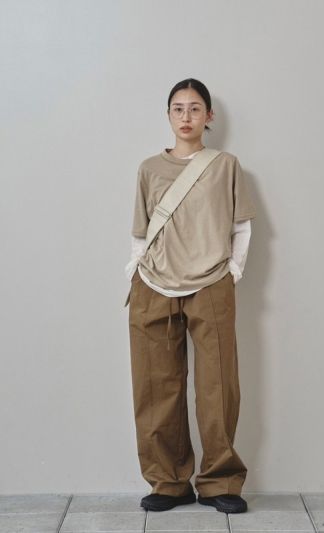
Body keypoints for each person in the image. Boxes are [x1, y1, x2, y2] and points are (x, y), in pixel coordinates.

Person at [124, 78, 256, 514]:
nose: (186, 116)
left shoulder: (226, 165)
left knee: (218, 386)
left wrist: (232, 272)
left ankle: (220, 482)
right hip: (153, 284)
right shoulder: (149, 168)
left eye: (195, 108)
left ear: (208, 116)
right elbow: (140, 231)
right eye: (178, 108)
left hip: (211, 281)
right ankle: (168, 482)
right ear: (168, 115)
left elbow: (241, 226)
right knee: (155, 387)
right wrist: (135, 270)